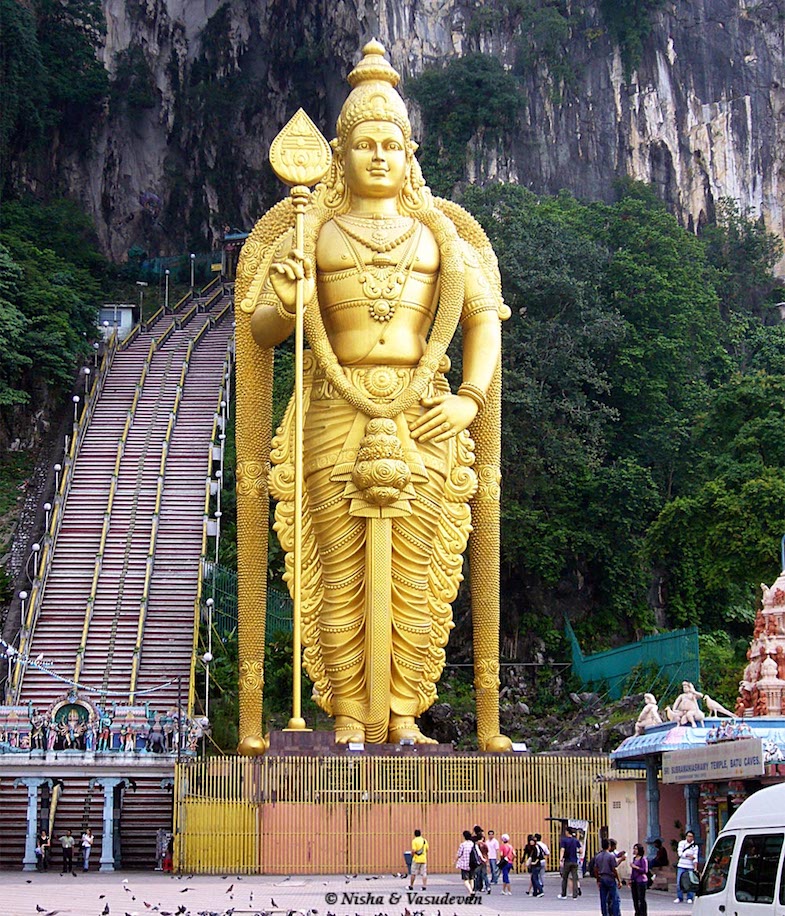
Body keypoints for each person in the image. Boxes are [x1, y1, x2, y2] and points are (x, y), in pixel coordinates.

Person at [235, 39, 511, 753]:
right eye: (364, 144)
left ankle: (404, 715)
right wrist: (289, 299)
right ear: (338, 153)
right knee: (337, 569)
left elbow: (482, 321)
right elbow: (260, 328)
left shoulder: (439, 235)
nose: (379, 156)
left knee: (419, 572)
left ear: (409, 152)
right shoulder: (312, 230)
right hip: (332, 407)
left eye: (391, 143)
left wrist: (470, 400)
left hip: (424, 414)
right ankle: (349, 719)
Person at [594, 837, 622, 916]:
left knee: (603, 899)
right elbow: (614, 869)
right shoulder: (610, 856)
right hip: (610, 878)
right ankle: (616, 914)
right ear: (609, 846)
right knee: (615, 898)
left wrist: (598, 879)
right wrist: (619, 880)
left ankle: (605, 914)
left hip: (602, 877)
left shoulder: (598, 856)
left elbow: (595, 869)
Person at [675, 830, 699, 903]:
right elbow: (680, 854)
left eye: (691, 836)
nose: (690, 838)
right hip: (681, 865)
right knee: (679, 882)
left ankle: (690, 897)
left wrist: (695, 867)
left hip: (690, 866)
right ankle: (679, 897)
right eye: (688, 836)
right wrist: (688, 855)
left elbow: (695, 857)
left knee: (690, 882)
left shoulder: (695, 846)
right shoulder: (682, 843)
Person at [559, 827, 582, 898]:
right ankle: (575, 895)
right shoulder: (576, 840)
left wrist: (561, 859)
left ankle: (563, 894)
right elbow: (581, 850)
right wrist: (576, 852)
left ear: (567, 832)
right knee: (575, 878)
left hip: (567, 861)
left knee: (565, 878)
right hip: (574, 861)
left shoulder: (564, 840)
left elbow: (562, 850)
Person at [630, 843, 649, 916]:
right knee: (635, 898)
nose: (634, 850)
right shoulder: (634, 859)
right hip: (634, 880)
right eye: (634, 849)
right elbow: (633, 871)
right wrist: (631, 879)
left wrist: (635, 867)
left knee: (641, 898)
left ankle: (643, 913)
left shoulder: (643, 859)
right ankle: (637, 912)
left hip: (641, 880)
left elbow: (645, 870)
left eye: (636, 849)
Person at [456, 830, 475, 895]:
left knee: (465, 880)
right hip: (472, 864)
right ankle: (471, 892)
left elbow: (459, 854)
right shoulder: (473, 844)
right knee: (471, 879)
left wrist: (455, 861)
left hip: (464, 864)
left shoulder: (463, 845)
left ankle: (471, 892)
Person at [471, 827, 490, 894]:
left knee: (476, 874)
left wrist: (472, 831)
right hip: (484, 860)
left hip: (478, 860)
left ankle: (476, 888)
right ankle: (488, 887)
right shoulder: (484, 844)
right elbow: (487, 851)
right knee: (484, 875)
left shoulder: (475, 843)